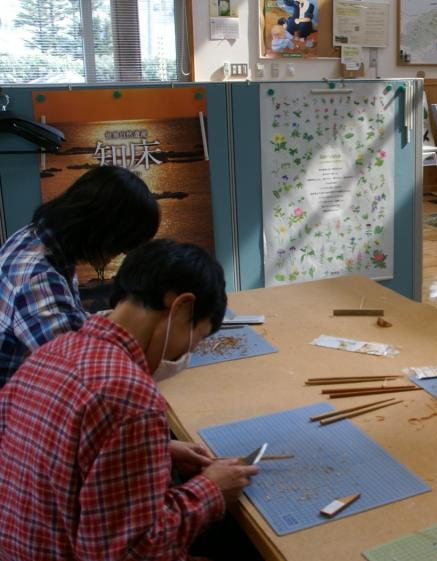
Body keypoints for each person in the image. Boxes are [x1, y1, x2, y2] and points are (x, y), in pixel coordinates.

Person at [0, 239, 259, 560]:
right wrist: (211, 490)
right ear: (181, 307)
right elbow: (130, 553)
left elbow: (57, 451)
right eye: (199, 336)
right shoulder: (130, 396)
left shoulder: (54, 352)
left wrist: (155, 450)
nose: (190, 351)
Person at [0, 166, 160, 386]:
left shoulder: (41, 237)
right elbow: (79, 372)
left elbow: (73, 321)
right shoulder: (38, 278)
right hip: (18, 407)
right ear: (102, 230)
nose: (119, 254)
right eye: (121, 245)